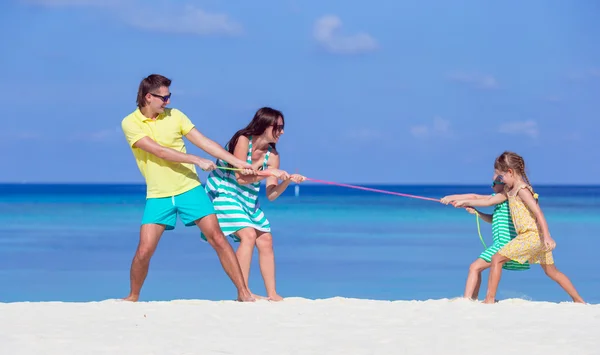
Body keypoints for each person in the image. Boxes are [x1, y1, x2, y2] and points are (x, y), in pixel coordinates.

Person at [120, 74, 258, 302]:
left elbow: (204, 141)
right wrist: (196, 160)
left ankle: (244, 293)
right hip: (159, 195)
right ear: (148, 97)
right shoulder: (130, 123)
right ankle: (133, 297)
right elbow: (159, 151)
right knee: (144, 250)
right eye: (164, 98)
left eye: (169, 97)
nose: (168, 102)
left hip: (189, 188)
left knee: (217, 238)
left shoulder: (175, 116)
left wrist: (237, 162)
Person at [201, 107, 305, 301]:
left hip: (248, 200)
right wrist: (269, 173)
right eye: (278, 127)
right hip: (224, 192)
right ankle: (244, 291)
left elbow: (271, 194)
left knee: (265, 239)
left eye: (283, 127)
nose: (282, 132)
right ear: (265, 125)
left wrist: (287, 180)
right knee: (248, 234)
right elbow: (240, 177)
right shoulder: (243, 140)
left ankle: (272, 294)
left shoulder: (272, 156)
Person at [453, 151, 585, 304]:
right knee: (551, 271)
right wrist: (462, 202)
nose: (501, 181)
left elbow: (538, 213)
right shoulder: (511, 191)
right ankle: (579, 301)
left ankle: (489, 300)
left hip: (531, 235)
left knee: (497, 258)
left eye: (501, 177)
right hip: (535, 237)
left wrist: (547, 235)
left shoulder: (522, 190)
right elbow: (487, 199)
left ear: (510, 172)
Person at [440, 175, 530, 301]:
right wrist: (477, 212)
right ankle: (473, 299)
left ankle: (467, 300)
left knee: (474, 267)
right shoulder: (502, 203)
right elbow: (493, 219)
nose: (492, 186)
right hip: (502, 243)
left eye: (494, 183)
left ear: (504, 184)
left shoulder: (506, 196)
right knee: (477, 268)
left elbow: (476, 197)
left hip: (504, 243)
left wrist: (452, 198)